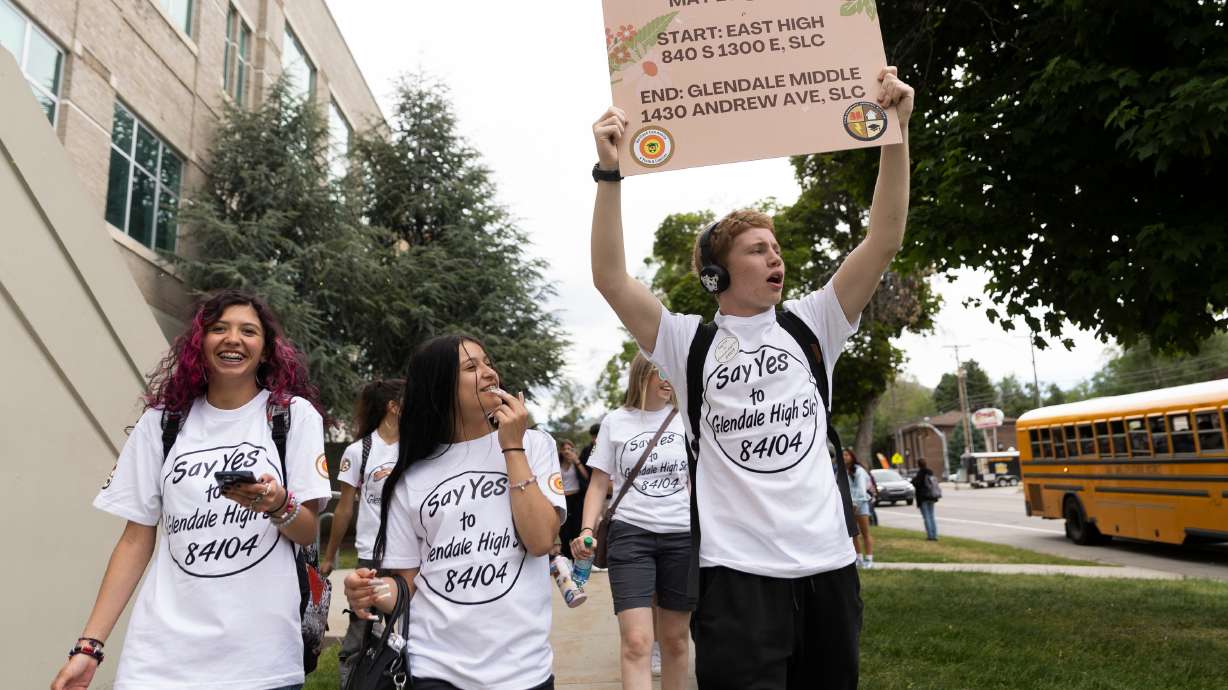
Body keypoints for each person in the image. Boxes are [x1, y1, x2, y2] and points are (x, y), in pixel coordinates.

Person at [589, 65, 914, 688]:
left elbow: (885, 237)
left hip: (829, 568)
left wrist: (893, 133)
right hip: (735, 576)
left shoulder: (814, 322)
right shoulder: (686, 342)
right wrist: (609, 173)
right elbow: (610, 278)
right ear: (717, 275)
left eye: (776, 246)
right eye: (757, 249)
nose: (776, 256)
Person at [51, 290, 332, 690]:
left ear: (267, 350)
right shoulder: (162, 424)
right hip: (159, 660)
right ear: (199, 343)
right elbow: (135, 540)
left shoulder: (291, 417)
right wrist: (89, 647)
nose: (233, 338)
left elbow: (306, 530)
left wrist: (276, 503)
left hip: (258, 660)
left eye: (248, 331)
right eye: (219, 329)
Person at [343, 335, 565, 690]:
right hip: (437, 668)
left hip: (524, 669)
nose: (489, 373)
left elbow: (540, 540)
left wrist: (511, 445)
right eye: (471, 367)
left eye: (487, 362)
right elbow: (408, 586)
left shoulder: (535, 445)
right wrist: (372, 591)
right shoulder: (409, 477)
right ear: (440, 385)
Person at [571, 354, 692, 690]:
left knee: (676, 641)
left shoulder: (686, 419)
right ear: (643, 375)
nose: (669, 381)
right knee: (638, 641)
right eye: (662, 373)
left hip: (681, 536)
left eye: (673, 374)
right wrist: (586, 529)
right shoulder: (616, 421)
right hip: (631, 535)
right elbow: (598, 483)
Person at [321, 378, 404, 686]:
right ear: (393, 407)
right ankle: (355, 683)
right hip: (371, 558)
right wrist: (329, 557)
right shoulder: (359, 452)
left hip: (411, 557)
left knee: (410, 631)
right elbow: (343, 508)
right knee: (361, 635)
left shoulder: (418, 446)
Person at [558, 438, 591, 560]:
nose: (567, 451)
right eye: (564, 449)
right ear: (561, 451)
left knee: (576, 529)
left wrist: (576, 461)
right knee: (564, 531)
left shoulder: (577, 462)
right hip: (563, 500)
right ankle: (567, 558)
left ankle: (581, 558)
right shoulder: (557, 464)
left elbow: (586, 476)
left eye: (569, 449)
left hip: (576, 499)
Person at [844, 449, 875, 568]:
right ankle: (858, 558)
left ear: (852, 456)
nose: (844, 457)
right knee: (854, 534)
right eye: (842, 455)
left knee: (865, 533)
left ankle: (869, 559)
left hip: (860, 505)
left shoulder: (859, 471)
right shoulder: (843, 471)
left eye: (846, 455)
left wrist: (855, 504)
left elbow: (861, 490)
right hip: (849, 506)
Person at [912, 457, 940, 541]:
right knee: (932, 516)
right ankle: (935, 535)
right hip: (931, 496)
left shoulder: (920, 473)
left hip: (923, 497)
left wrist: (913, 480)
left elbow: (917, 484)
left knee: (926, 517)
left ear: (918, 465)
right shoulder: (930, 472)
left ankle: (930, 536)